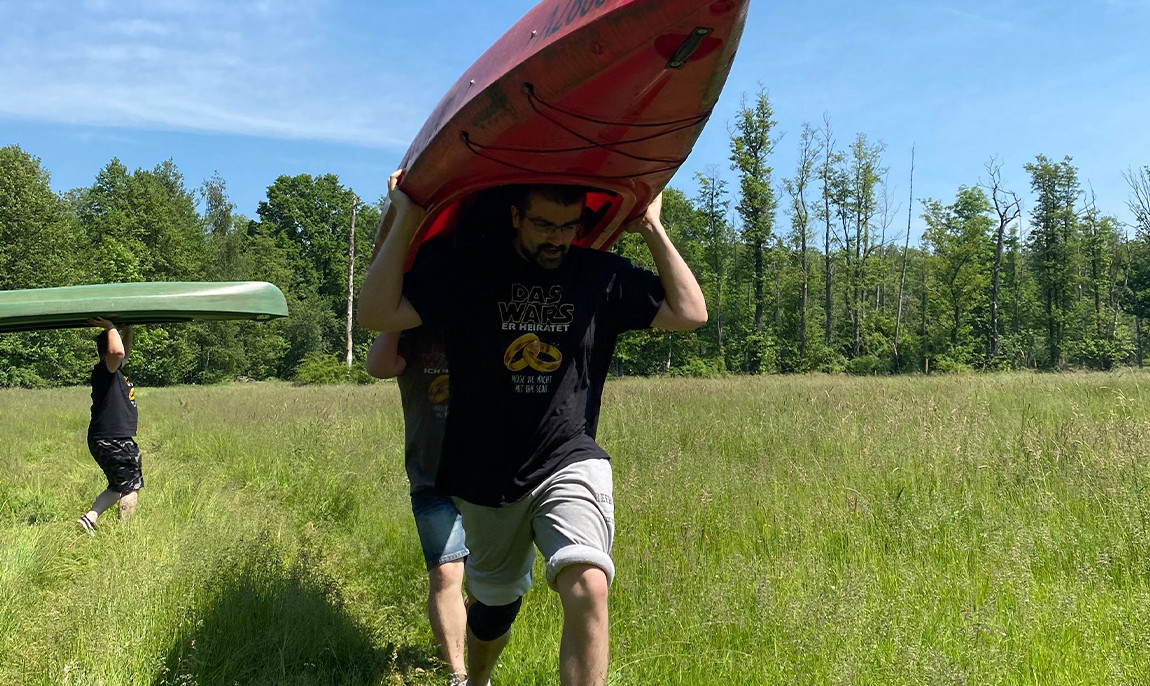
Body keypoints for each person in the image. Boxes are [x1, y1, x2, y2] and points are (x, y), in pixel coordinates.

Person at [358, 170, 707, 686]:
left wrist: (653, 227)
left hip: (569, 456)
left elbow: (690, 312)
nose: (557, 238)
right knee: (495, 606)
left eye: (568, 225)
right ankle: (476, 679)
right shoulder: (469, 269)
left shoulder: (599, 276)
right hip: (483, 474)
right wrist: (407, 211)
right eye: (544, 224)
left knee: (590, 583)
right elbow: (374, 313)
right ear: (516, 218)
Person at [365, 257, 469, 684]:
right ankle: (459, 674)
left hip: (487, 478)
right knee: (446, 573)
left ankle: (477, 653)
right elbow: (377, 366)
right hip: (431, 477)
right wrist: (398, 312)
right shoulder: (409, 334)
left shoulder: (480, 320)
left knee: (489, 586)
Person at [77, 317, 140, 535]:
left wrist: (128, 332)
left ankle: (89, 519)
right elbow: (118, 354)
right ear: (109, 349)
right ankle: (126, 536)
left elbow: (124, 355)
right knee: (130, 486)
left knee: (117, 484)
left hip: (107, 437)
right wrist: (111, 327)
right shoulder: (106, 370)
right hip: (114, 439)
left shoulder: (112, 372)